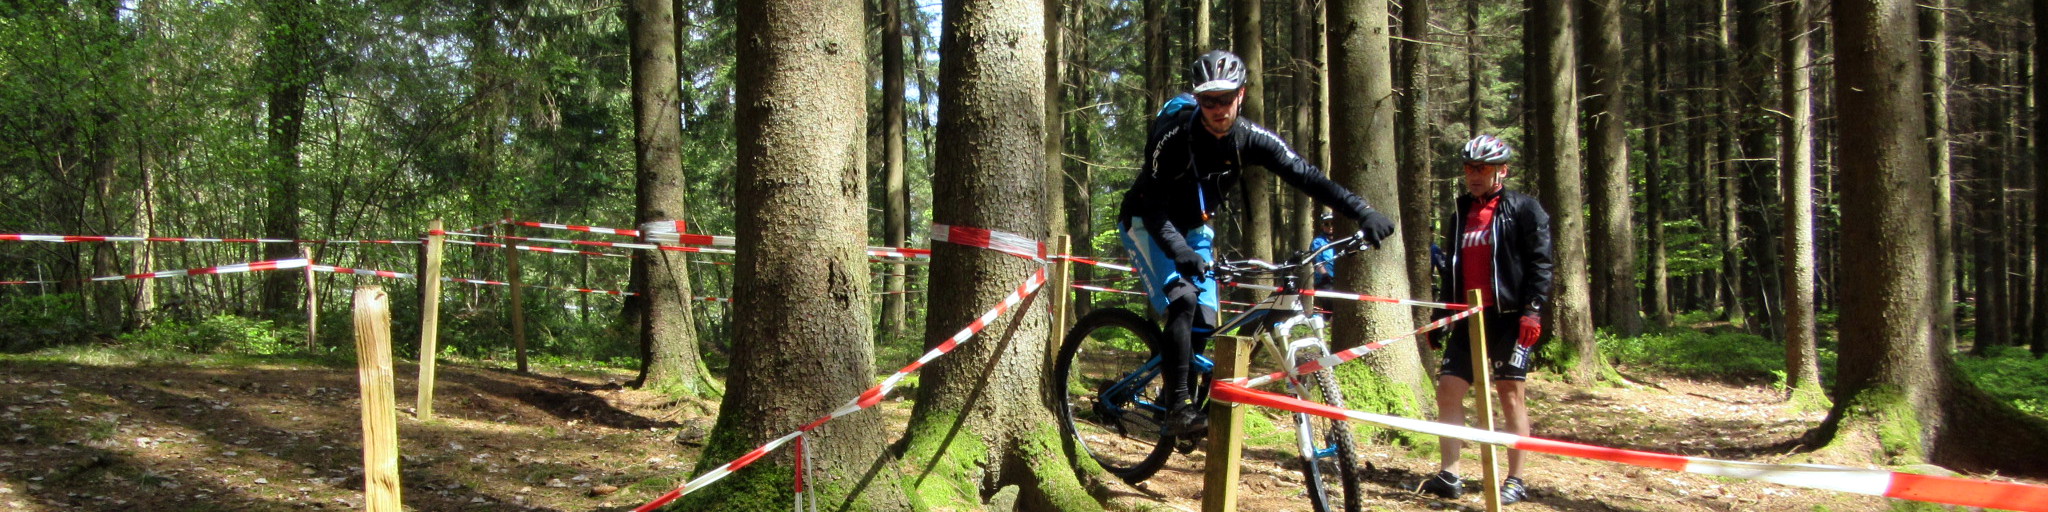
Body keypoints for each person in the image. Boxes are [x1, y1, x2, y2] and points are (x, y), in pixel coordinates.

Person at [1117, 50, 1396, 437]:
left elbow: (1306, 175)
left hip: (1195, 226)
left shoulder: (1251, 138)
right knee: (1182, 298)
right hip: (1146, 223)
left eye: (1225, 98)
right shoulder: (1173, 137)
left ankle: (1170, 394)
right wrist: (1179, 252)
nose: (1218, 108)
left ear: (1241, 95)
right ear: (1197, 99)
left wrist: (1362, 211)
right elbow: (1153, 208)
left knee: (1205, 322)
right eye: (1208, 100)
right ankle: (1178, 407)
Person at [1418, 134, 1553, 505]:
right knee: (1448, 390)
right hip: (1465, 315)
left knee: (1510, 393)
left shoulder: (1524, 209)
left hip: (1508, 317)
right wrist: (1440, 315)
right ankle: (1450, 473)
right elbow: (1450, 269)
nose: (1473, 175)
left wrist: (1533, 310)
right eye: (1469, 168)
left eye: (1481, 168)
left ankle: (1516, 478)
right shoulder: (1460, 211)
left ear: (1501, 170)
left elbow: (1541, 263)